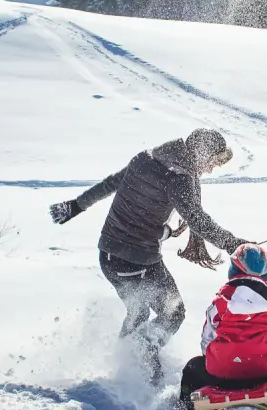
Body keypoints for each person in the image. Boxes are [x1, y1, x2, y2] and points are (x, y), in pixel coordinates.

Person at [50, 128, 244, 382]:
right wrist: (234, 244)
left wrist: (76, 205)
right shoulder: (180, 179)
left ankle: (126, 362)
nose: (209, 170)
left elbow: (111, 183)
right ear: (201, 154)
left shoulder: (146, 157)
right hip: (133, 259)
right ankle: (140, 356)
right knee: (170, 313)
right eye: (211, 163)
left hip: (112, 254)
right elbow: (198, 220)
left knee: (142, 312)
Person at [178, 243, 267, 410]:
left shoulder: (218, 303)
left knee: (192, 367)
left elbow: (206, 343)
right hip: (264, 373)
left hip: (222, 376)